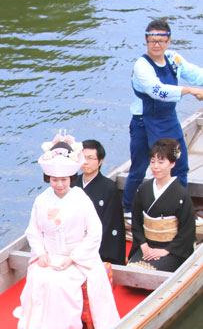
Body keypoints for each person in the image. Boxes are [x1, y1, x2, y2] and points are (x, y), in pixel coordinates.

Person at [15, 136, 120, 329]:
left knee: (57, 283)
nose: (60, 184)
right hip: (50, 256)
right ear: (48, 179)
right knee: (37, 276)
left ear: (71, 178)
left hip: (78, 258)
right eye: (55, 180)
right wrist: (41, 253)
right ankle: (35, 328)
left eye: (64, 180)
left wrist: (72, 258)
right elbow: (33, 230)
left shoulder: (80, 198)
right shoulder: (42, 200)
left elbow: (95, 232)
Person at [122, 18, 203, 215]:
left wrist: (196, 85)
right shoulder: (142, 66)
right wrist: (191, 91)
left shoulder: (173, 59)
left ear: (168, 40)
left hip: (167, 119)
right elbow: (158, 91)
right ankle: (128, 210)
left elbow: (196, 74)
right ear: (146, 41)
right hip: (143, 121)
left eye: (161, 40)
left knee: (180, 166)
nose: (156, 44)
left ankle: (179, 209)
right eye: (152, 40)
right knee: (139, 168)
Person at [128, 138, 195, 272]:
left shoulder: (181, 194)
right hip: (147, 246)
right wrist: (143, 245)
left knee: (149, 272)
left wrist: (165, 251)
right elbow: (136, 221)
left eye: (161, 161)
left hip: (172, 249)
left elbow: (187, 231)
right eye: (153, 161)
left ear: (172, 163)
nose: (155, 166)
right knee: (131, 270)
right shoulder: (144, 189)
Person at [72, 139, 126, 265]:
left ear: (100, 161)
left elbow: (110, 223)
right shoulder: (73, 183)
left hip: (97, 244)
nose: (86, 162)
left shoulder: (108, 187)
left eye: (91, 158)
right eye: (83, 157)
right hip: (73, 239)